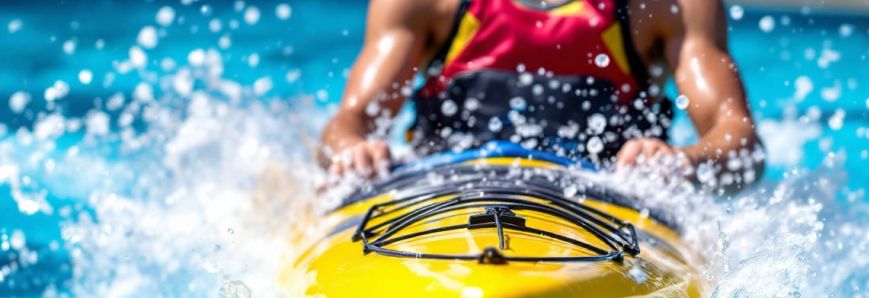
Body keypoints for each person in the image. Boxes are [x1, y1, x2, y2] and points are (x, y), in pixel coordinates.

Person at [319, 0, 764, 188]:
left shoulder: (669, 6)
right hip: (444, 196)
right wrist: (354, 152)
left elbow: (740, 141)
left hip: (611, 203)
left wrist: (683, 161)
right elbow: (348, 122)